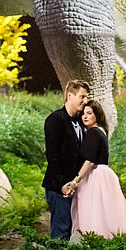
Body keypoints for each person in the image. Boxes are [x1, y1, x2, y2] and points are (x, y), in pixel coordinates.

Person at [64, 100, 126, 240]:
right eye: (83, 114)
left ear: (97, 115)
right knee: (106, 213)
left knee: (94, 214)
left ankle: (97, 244)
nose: (85, 116)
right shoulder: (100, 131)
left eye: (89, 113)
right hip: (103, 174)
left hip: (95, 177)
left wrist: (75, 181)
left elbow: (90, 161)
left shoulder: (93, 133)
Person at [42, 79, 90, 239]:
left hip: (74, 186)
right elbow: (52, 156)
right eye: (82, 96)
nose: (85, 101)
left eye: (87, 97)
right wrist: (62, 184)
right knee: (60, 232)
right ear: (70, 95)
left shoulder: (80, 121)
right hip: (58, 187)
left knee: (69, 231)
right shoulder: (55, 120)